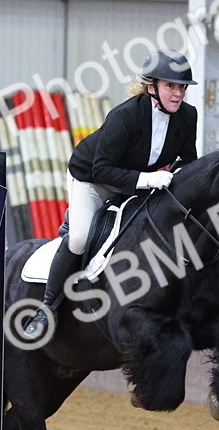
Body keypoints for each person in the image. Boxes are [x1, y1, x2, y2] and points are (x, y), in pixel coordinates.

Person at [20, 50, 199, 340]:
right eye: (171, 86)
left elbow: (189, 160)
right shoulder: (125, 116)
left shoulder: (187, 116)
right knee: (79, 237)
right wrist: (147, 179)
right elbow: (102, 169)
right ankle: (46, 308)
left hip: (138, 181)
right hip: (93, 179)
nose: (178, 94)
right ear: (152, 86)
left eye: (181, 88)